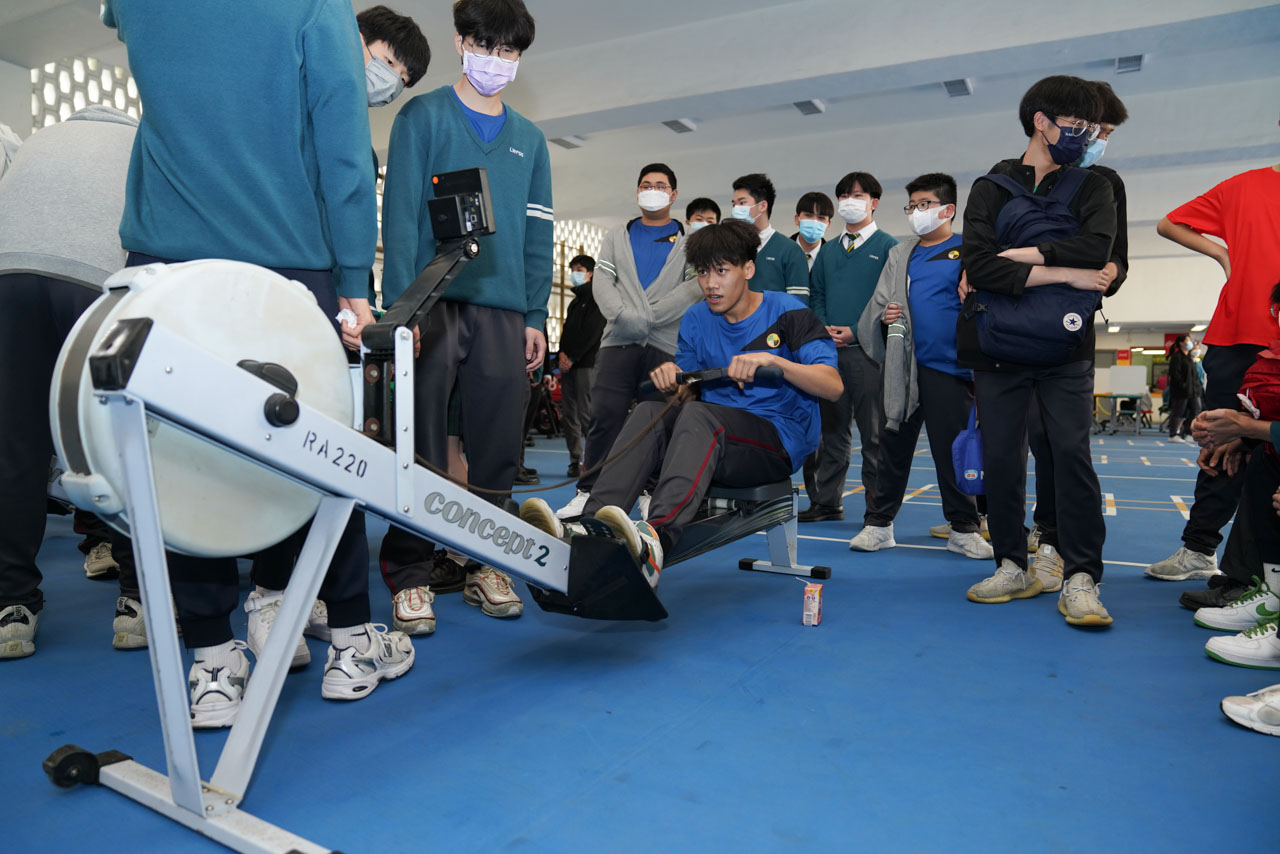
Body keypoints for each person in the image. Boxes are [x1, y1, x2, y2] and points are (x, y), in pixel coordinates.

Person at [100, 0, 413, 722]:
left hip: (165, 261)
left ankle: (212, 661)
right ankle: (351, 638)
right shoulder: (315, 6)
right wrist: (355, 284)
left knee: (180, 466)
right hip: (283, 260)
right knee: (319, 452)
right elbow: (342, 150)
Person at [522, 219, 841, 580]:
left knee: (701, 416)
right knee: (650, 411)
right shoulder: (696, 318)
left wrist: (776, 362)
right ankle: (592, 526)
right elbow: (688, 389)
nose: (710, 283)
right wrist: (673, 378)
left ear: (748, 269)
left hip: (776, 442)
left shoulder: (788, 312)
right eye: (703, 272)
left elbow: (832, 386)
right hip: (713, 437)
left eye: (721, 271)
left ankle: (657, 538)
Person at [379, 0, 550, 628]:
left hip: (504, 313)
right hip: (433, 304)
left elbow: (539, 234)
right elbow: (400, 218)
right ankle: (411, 573)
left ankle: (487, 563)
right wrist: (403, 310)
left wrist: (536, 314)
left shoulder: (530, 140)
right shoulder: (422, 117)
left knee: (498, 445)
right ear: (460, 42)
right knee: (419, 442)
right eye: (485, 46)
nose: (496, 61)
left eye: (508, 51)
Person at [957, 75, 1116, 627]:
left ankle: (1082, 576)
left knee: (1071, 455)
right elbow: (979, 266)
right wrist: (1066, 272)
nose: (1084, 135)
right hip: (997, 345)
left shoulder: (1094, 186)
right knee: (1002, 457)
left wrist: (1019, 257)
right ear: (1040, 121)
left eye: (1090, 126)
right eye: (1075, 124)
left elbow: (1097, 249)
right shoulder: (991, 186)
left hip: (1066, 348)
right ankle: (1010, 563)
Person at [0, 106, 146, 659]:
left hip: (8, 275)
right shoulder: (142, 143)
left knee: (16, 447)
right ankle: (138, 601)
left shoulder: (39, 140)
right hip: (97, 285)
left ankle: (11, 606)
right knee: (122, 439)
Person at [1145, 123, 1280, 596]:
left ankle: (1258, 573)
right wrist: (1223, 255)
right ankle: (1200, 548)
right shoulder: (1242, 187)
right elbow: (1169, 223)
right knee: (1223, 442)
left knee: (1266, 449)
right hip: (1239, 330)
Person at [1020, 78, 1131, 590]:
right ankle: (1044, 535)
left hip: (1070, 329)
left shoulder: (1104, 183)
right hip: (1019, 327)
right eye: (1094, 128)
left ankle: (1069, 553)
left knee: (1067, 444)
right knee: (1038, 439)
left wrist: (1109, 271)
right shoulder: (1021, 177)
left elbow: (1116, 255)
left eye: (1106, 132)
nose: (1098, 138)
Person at [853, 173, 991, 559]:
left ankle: (963, 529)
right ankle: (879, 525)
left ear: (948, 210)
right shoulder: (901, 254)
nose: (916, 211)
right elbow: (879, 304)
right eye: (912, 205)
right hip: (905, 369)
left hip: (951, 371)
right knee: (892, 448)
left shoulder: (970, 250)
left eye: (925, 204)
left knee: (952, 453)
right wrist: (885, 316)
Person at [555, 163, 702, 520]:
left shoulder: (689, 243)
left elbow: (692, 288)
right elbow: (603, 283)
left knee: (658, 420)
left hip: (664, 344)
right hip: (617, 342)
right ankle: (587, 491)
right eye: (646, 185)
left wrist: (647, 318)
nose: (653, 191)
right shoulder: (615, 236)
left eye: (660, 185)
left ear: (673, 194)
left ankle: (650, 490)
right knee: (604, 417)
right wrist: (625, 317)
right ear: (637, 192)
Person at [802, 171, 899, 524]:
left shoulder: (889, 247)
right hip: (829, 353)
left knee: (874, 435)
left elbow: (889, 300)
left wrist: (856, 332)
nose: (849, 201)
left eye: (857, 195)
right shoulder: (828, 251)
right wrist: (824, 328)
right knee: (832, 432)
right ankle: (828, 501)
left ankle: (877, 506)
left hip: (869, 354)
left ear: (874, 202)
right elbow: (817, 294)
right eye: (844, 195)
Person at [558, 255, 606, 479]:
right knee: (569, 414)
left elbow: (592, 334)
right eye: (573, 269)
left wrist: (573, 357)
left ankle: (597, 460)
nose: (574, 273)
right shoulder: (574, 302)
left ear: (590, 273)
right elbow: (567, 332)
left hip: (586, 365)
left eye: (579, 269)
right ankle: (575, 460)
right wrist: (561, 355)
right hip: (568, 367)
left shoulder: (597, 299)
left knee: (586, 414)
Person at [730, 173, 811, 304]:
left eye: (742, 203)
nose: (736, 209)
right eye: (734, 205)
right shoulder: (729, 248)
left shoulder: (790, 250)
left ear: (762, 206)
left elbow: (798, 306)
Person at [1165, 333, 1199, 442]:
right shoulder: (1177, 357)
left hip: (1192, 391)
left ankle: (1189, 433)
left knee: (1195, 410)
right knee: (1178, 412)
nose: (1190, 343)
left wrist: (1196, 388)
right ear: (1181, 343)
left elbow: (1194, 375)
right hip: (1181, 392)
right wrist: (1183, 386)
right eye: (1188, 341)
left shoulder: (1189, 358)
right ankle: (1173, 434)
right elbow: (1175, 375)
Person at [792, 191, 834, 272]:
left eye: (821, 218)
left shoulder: (834, 257)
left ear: (828, 225)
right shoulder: (780, 252)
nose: (814, 221)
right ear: (797, 219)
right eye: (808, 215)